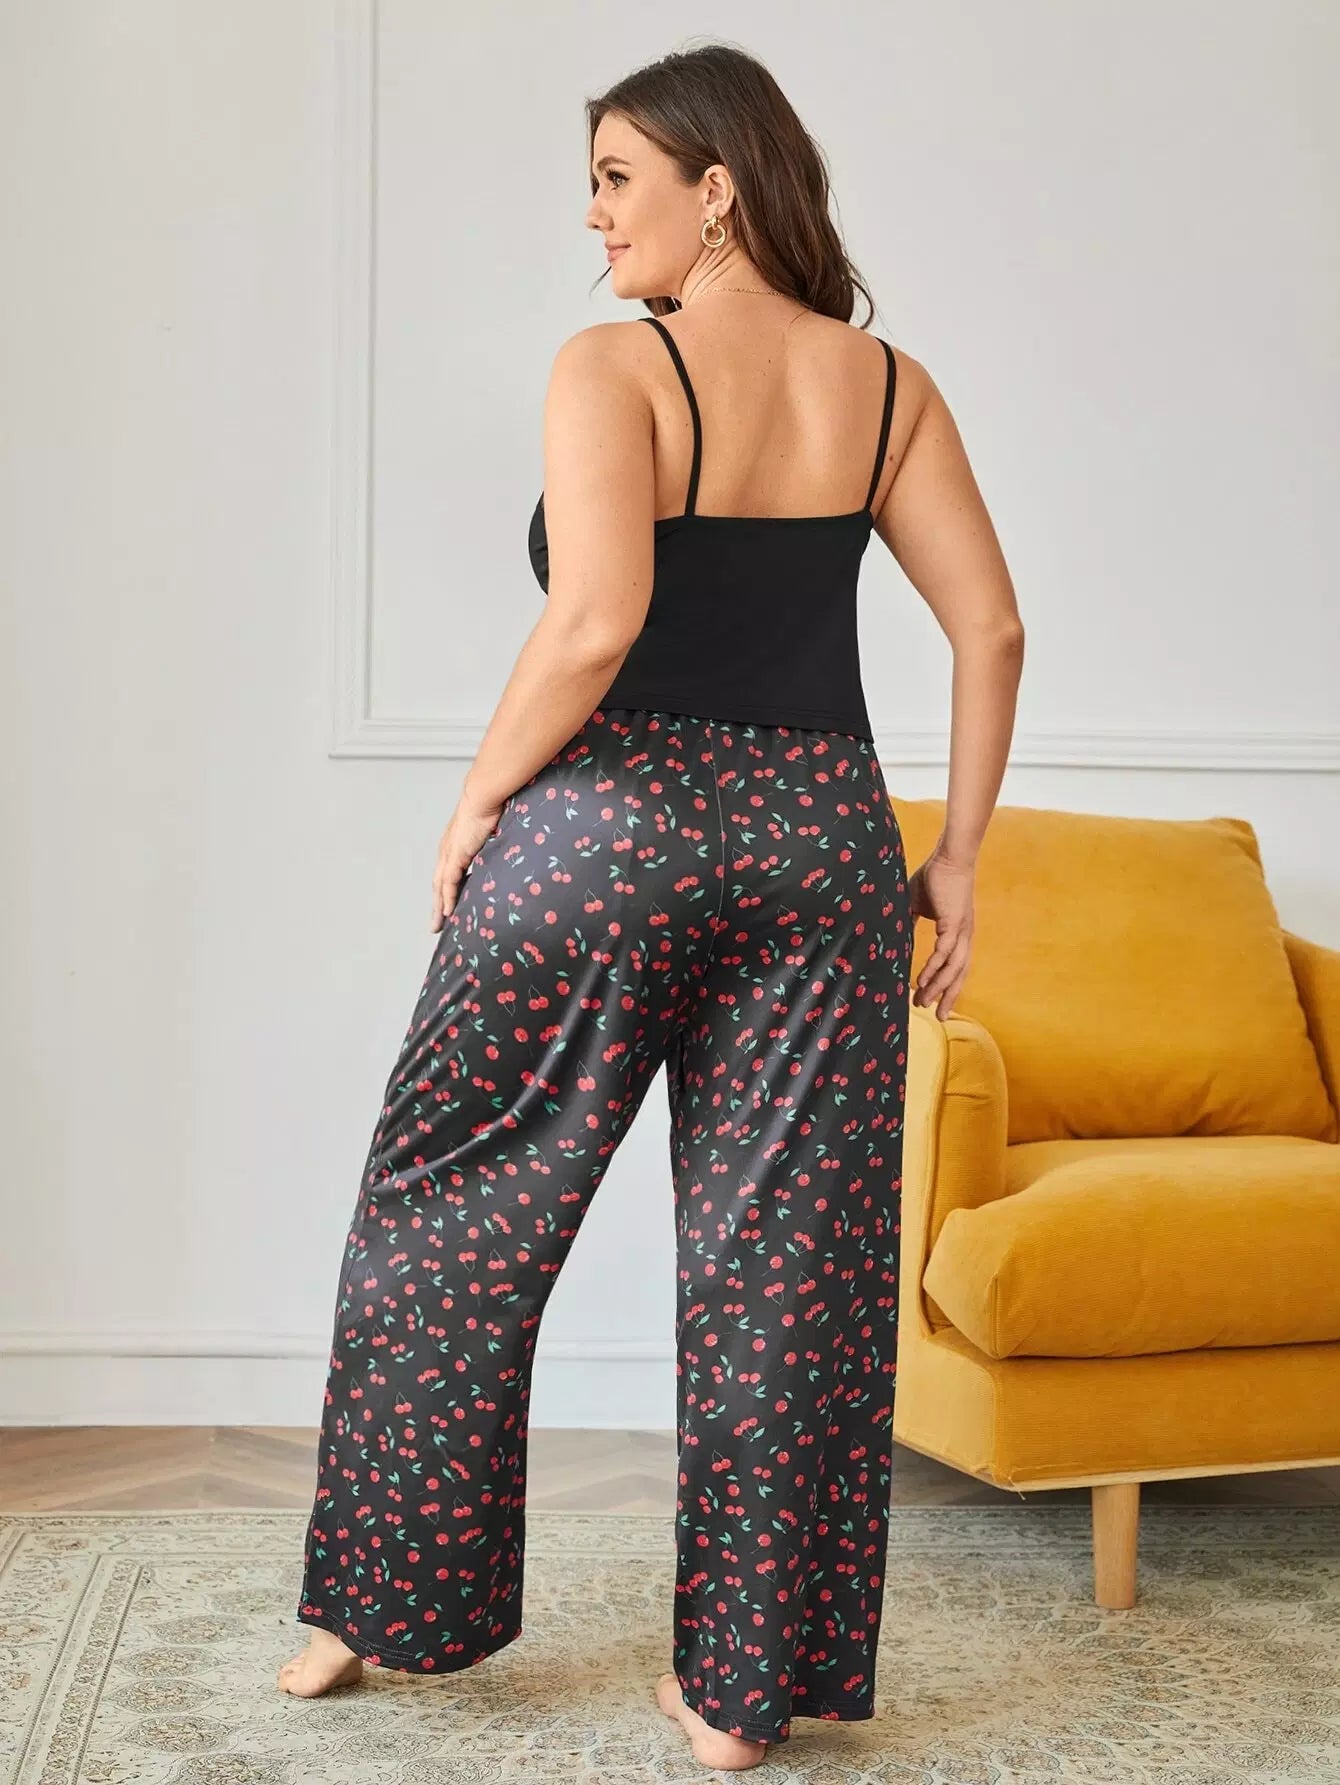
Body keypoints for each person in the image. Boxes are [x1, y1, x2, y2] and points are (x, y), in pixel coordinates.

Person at [277, 38, 1023, 1776]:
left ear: (720, 189)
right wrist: (962, 856)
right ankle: (745, 1696)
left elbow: (596, 618)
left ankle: (366, 1611)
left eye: (618, 179)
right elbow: (991, 626)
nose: (595, 215)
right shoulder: (891, 387)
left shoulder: (616, 366)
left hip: (609, 829)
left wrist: (480, 796)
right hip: (823, 847)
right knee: (791, 1270)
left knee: (451, 1206)